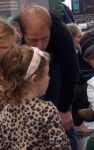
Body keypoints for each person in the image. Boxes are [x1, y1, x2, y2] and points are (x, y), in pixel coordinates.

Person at [13, 5, 78, 149]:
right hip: (22, 73)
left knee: (63, 123)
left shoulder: (61, 31)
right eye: (34, 40)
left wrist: (64, 109)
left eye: (44, 38)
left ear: (50, 30)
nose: (40, 45)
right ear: (22, 33)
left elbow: (71, 71)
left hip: (53, 69)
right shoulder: (14, 34)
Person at [0, 44, 71, 150]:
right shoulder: (46, 110)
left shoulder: (5, 112)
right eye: (47, 73)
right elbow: (61, 146)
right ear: (35, 79)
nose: (50, 78)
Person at [67, 23, 94, 135]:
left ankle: (76, 122)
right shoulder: (70, 53)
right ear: (70, 37)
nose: (81, 39)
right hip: (67, 91)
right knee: (91, 87)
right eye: (79, 36)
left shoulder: (76, 50)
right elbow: (78, 78)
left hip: (71, 88)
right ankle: (77, 124)